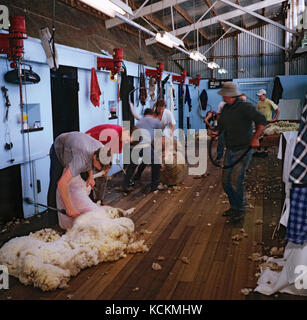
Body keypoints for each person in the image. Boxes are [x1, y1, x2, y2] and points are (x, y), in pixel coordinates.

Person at [210, 82, 267, 223]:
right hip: (230, 148)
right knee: (226, 182)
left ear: (230, 95)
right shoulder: (226, 109)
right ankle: (234, 206)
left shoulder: (245, 107)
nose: (222, 96)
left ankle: (240, 210)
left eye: (224, 94)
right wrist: (216, 132)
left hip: (243, 149)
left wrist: (255, 138)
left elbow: (262, 121)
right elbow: (221, 125)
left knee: (236, 180)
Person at [47, 132, 112, 222]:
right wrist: (69, 208)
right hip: (59, 148)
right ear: (95, 157)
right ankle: (52, 219)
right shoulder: (81, 159)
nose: (100, 169)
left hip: (75, 146)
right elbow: (62, 183)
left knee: (79, 178)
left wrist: (91, 177)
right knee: (55, 182)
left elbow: (89, 162)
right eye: (100, 166)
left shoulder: (103, 150)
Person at [85, 124, 130, 202]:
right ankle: (92, 202)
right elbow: (106, 152)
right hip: (88, 144)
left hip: (100, 149)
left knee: (103, 176)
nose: (126, 142)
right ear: (127, 132)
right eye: (127, 140)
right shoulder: (113, 134)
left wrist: (107, 168)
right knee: (93, 175)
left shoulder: (122, 138)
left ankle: (99, 201)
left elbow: (111, 154)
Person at [123, 108, 162, 192]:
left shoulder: (139, 122)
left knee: (133, 164)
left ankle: (126, 183)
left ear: (144, 114)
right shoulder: (155, 121)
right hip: (145, 144)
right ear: (152, 115)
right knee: (156, 163)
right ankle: (154, 187)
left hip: (135, 144)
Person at [255, 89, 280, 157]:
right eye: (258, 96)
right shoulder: (258, 103)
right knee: (258, 136)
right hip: (260, 122)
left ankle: (265, 151)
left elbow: (278, 109)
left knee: (266, 137)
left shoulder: (269, 102)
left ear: (264, 95)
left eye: (260, 96)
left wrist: (274, 118)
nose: (259, 97)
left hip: (267, 122)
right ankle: (259, 151)